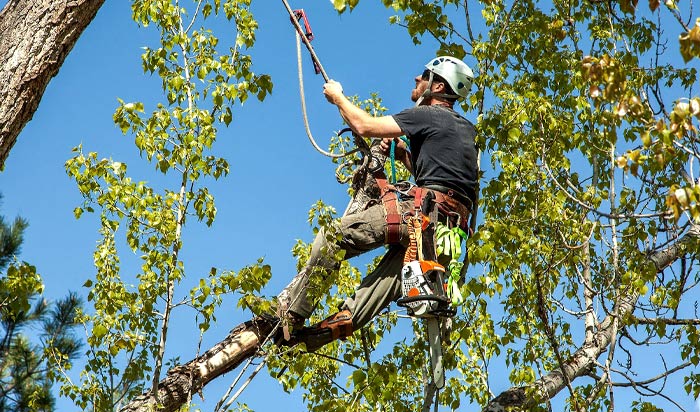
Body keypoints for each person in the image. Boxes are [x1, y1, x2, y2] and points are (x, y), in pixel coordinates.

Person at [271, 56, 478, 350]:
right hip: (447, 239)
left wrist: (337, 97)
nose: (416, 80)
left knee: (333, 237)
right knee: (381, 287)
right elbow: (441, 177)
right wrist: (404, 152)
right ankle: (330, 330)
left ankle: (292, 315)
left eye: (424, 76)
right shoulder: (465, 130)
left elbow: (364, 125)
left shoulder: (428, 115)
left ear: (438, 85)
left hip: (420, 216)